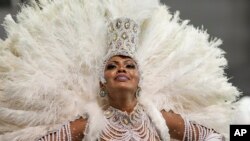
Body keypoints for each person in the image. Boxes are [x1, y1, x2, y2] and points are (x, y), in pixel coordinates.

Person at [0, 0, 242, 141]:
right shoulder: (90, 124)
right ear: (102, 84)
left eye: (129, 65)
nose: (121, 69)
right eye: (112, 66)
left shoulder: (159, 119)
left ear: (139, 80)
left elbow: (212, 137)